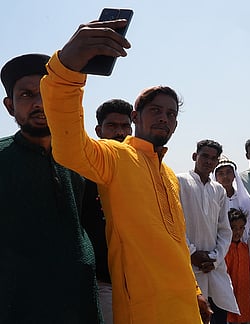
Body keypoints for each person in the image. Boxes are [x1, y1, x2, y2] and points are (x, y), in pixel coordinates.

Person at [40, 19, 210, 323]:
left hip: (185, 304)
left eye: (170, 113)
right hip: (144, 309)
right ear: (136, 116)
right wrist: (67, 71)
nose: (164, 118)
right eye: (155, 110)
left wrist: (196, 289)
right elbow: (69, 146)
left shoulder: (169, 175)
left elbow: (178, 241)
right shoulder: (116, 155)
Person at [0, 54, 102, 322]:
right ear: (10, 106)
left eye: (45, 93)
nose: (38, 103)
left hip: (81, 303)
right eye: (26, 95)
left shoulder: (80, 158)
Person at [81, 98, 133, 324]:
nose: (120, 132)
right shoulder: (84, 171)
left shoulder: (140, 172)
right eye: (112, 126)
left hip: (138, 280)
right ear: (98, 130)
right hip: (102, 281)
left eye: (125, 126)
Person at [177, 140, 239, 323]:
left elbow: (225, 230)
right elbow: (174, 223)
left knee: (218, 313)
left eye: (213, 158)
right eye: (205, 156)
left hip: (214, 267)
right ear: (195, 156)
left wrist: (216, 257)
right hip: (188, 266)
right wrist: (192, 253)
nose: (208, 162)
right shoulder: (179, 181)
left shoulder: (218, 190)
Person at [214, 155, 250, 242]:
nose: (225, 176)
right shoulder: (213, 201)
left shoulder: (245, 200)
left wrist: (247, 242)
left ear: (234, 175)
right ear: (216, 177)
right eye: (221, 173)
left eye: (228, 172)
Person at [224, 208, 250, 324]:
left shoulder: (246, 248)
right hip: (229, 294)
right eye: (233, 228)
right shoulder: (223, 249)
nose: (238, 232)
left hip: (244, 294)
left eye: (241, 228)